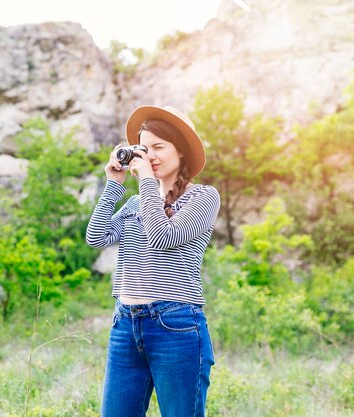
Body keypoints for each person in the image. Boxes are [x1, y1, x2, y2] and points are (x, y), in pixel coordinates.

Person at [86, 105, 221, 417]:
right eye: (145, 149)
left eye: (159, 147)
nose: (150, 156)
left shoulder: (203, 197)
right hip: (125, 323)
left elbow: (164, 237)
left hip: (175, 324)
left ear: (182, 152)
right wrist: (113, 185)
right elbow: (96, 236)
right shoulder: (135, 202)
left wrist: (145, 179)